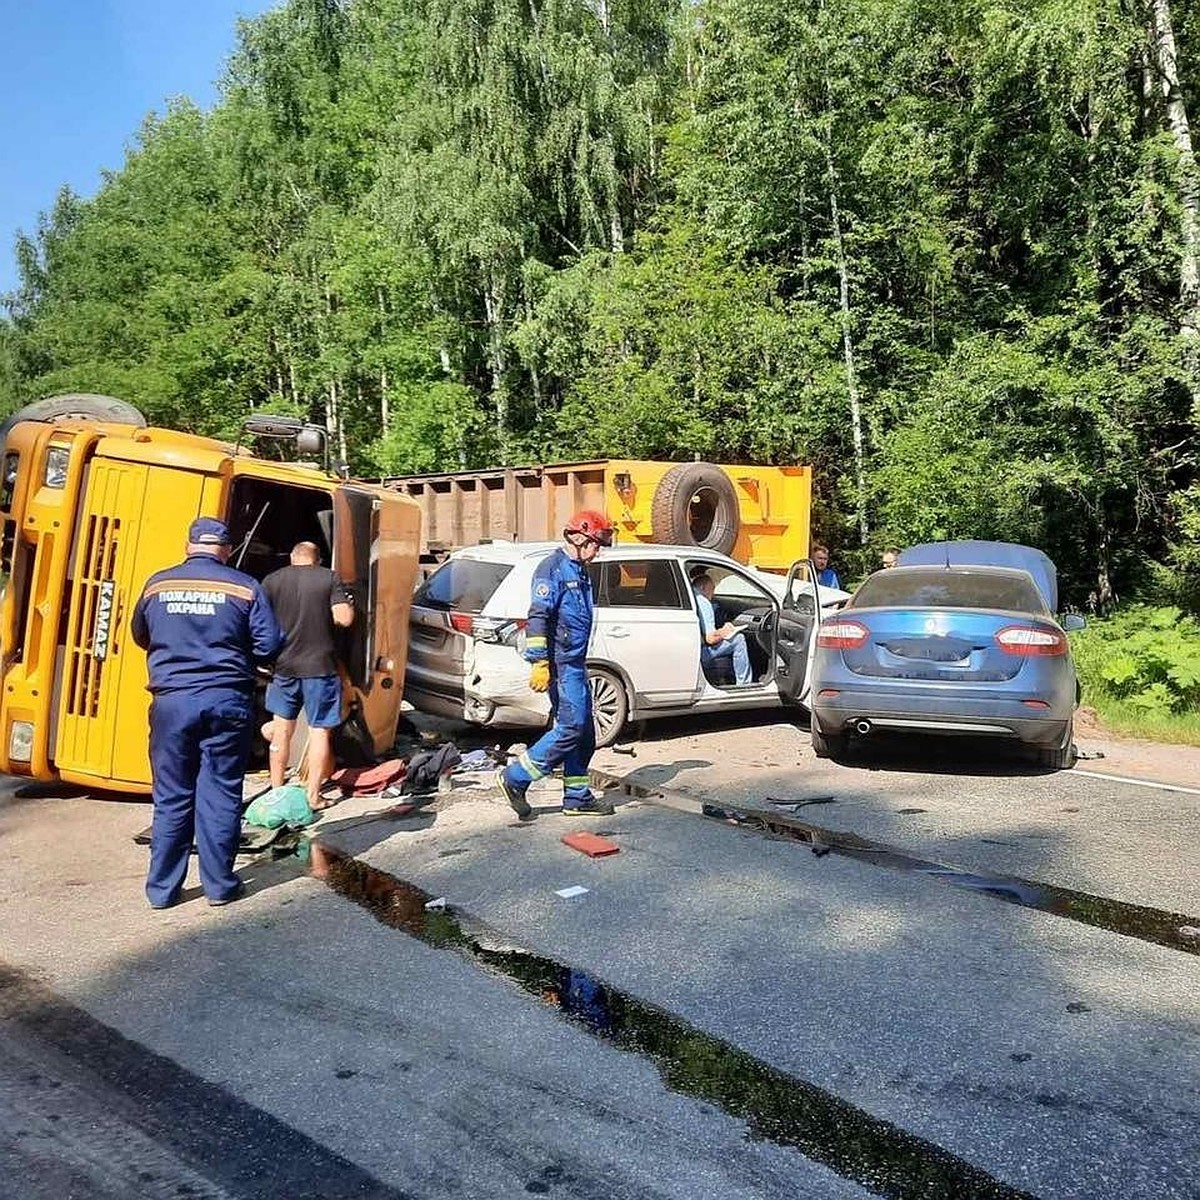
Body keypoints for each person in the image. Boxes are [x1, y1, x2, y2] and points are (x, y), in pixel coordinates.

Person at [132, 517, 283, 910]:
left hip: (172, 702)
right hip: (226, 699)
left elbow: (140, 635)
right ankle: (219, 886)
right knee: (219, 792)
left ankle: (163, 891)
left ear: (188, 546)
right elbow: (269, 646)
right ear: (227, 550)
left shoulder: (157, 584)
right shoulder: (244, 587)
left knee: (172, 795)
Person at [496, 510, 615, 819]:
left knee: (585, 732)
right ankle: (515, 777)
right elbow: (538, 616)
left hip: (575, 662)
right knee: (572, 726)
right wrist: (539, 662)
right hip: (560, 664)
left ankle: (577, 796)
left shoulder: (580, 568)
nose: (597, 550)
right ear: (577, 538)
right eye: (594, 544)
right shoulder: (552, 568)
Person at [262, 541, 355, 811]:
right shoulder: (329, 578)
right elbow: (345, 618)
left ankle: (276, 793)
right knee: (319, 733)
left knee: (281, 731)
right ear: (317, 559)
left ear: (293, 557)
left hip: (283, 667)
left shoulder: (272, 580)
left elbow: (259, 622)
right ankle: (314, 797)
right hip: (320, 668)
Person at [690, 568, 752, 685]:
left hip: (691, 650)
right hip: (701, 654)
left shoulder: (691, 597)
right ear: (703, 587)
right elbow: (711, 639)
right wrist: (726, 630)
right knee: (739, 640)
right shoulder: (703, 602)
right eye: (712, 589)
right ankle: (744, 684)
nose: (713, 594)